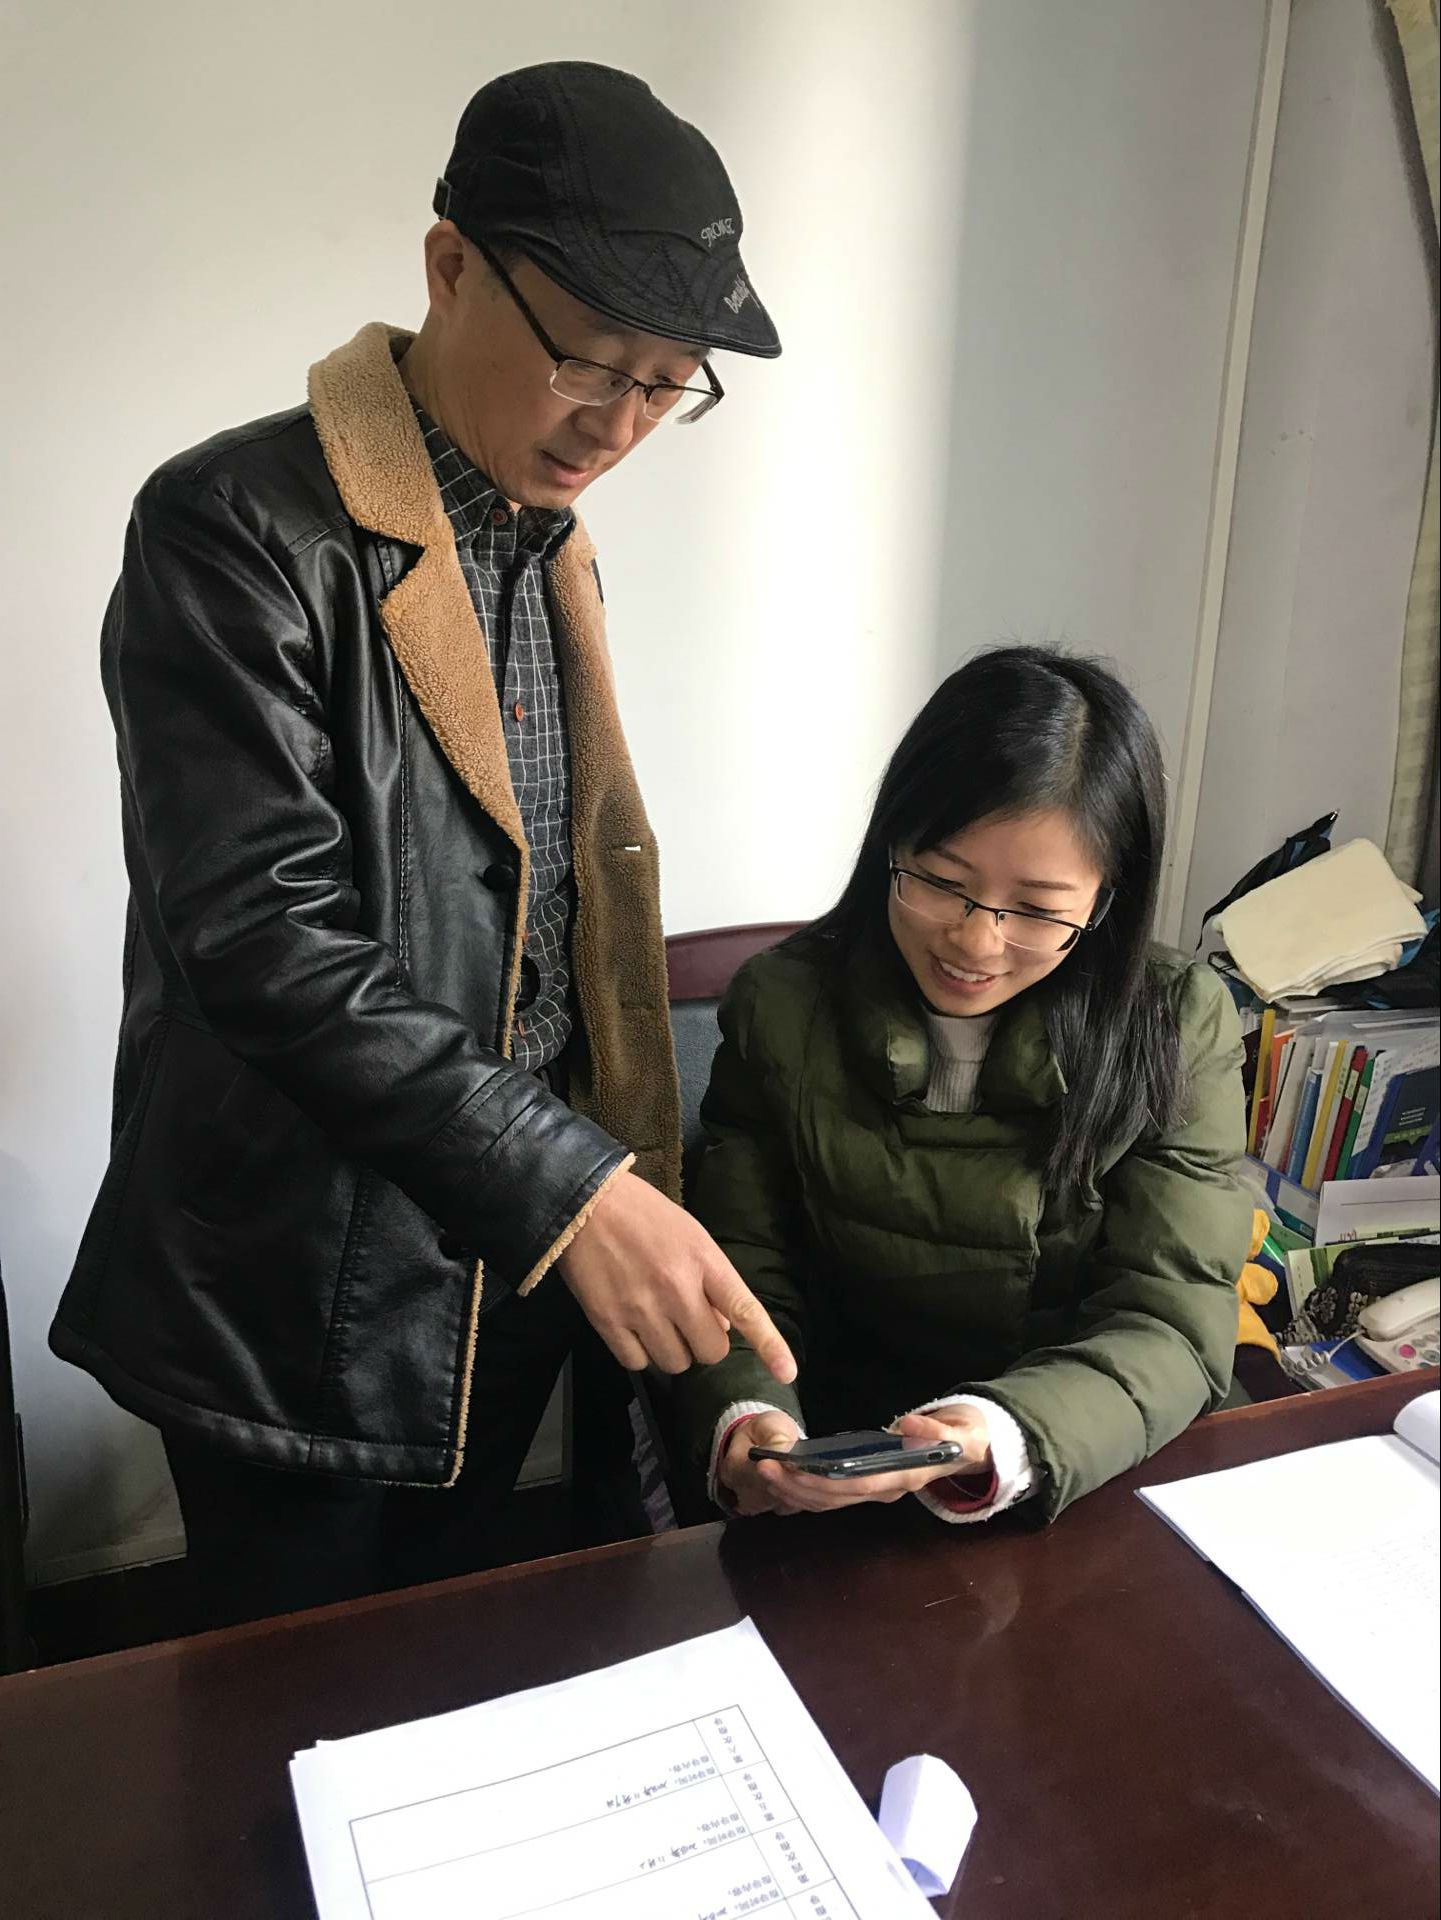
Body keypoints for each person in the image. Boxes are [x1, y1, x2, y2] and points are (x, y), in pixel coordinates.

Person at [49, 61, 795, 1626]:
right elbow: (263, 938)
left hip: (500, 1267)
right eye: (590, 362)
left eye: (669, 385)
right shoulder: (234, 525)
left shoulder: (547, 542)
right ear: (451, 264)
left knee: (456, 1666)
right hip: (299, 1296)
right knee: (289, 1708)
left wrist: (583, 1188)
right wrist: (573, 1188)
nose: (620, 425)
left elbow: (545, 919)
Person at [670, 646, 1253, 1525]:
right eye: (941, 883)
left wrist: (998, 1434)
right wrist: (749, 1416)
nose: (976, 944)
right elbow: (741, 1263)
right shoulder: (782, 1004)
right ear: (890, 848)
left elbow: (1170, 1320)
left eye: (1038, 909)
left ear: (1105, 901)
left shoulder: (1173, 1024)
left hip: (1072, 1465)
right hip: (834, 1464)